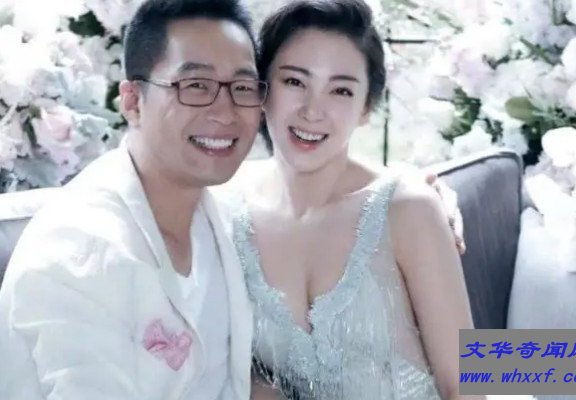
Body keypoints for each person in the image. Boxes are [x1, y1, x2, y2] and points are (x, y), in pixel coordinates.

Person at [0, 0, 262, 398]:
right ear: (133, 102)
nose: (226, 113)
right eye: (196, 86)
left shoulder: (224, 217)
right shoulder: (79, 252)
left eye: (242, 88)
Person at [226, 1, 477, 399]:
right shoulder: (222, 208)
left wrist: (567, 361)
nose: (313, 110)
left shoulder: (407, 208)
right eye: (294, 81)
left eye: (341, 90)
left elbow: (468, 379)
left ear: (366, 108)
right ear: (262, 89)